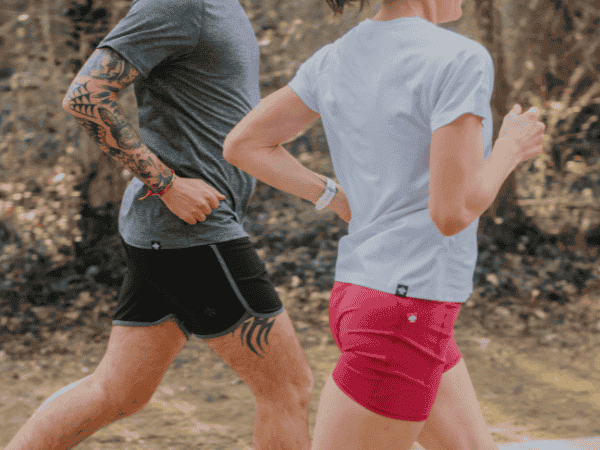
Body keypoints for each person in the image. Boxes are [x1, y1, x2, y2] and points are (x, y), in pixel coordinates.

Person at [223, 0, 546, 448]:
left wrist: (333, 197)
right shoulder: (458, 58)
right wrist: (511, 147)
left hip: (364, 297)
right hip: (404, 314)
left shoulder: (335, 56)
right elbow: (451, 212)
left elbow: (244, 144)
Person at [4, 0, 315, 449]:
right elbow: (85, 95)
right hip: (192, 233)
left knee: (118, 392)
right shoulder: (180, 3)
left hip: (167, 234)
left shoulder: (224, 6)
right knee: (287, 389)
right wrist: (167, 184)